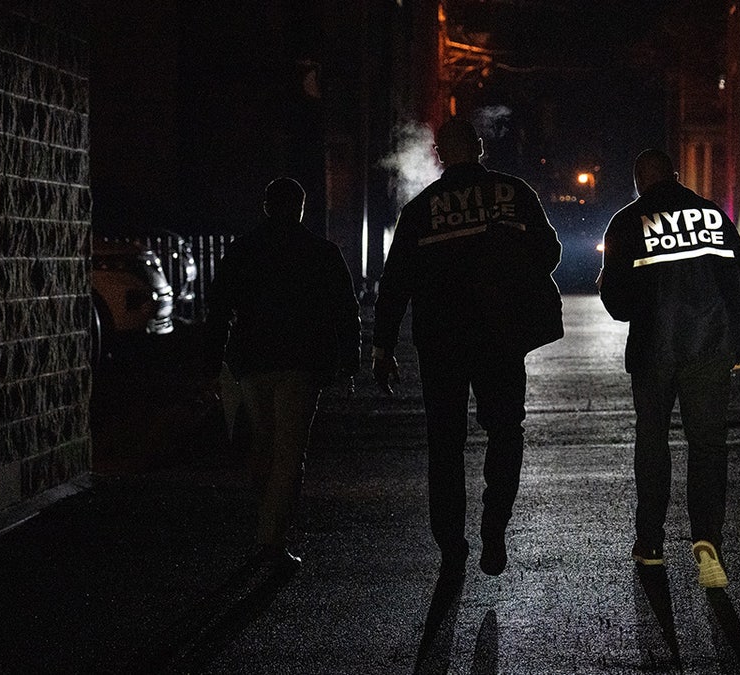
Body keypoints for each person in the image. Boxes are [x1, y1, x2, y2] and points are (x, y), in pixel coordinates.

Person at [373, 116, 562, 578]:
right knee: (505, 430)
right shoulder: (513, 192)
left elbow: (395, 282)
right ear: (479, 148)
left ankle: (451, 547)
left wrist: (383, 346)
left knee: (445, 444)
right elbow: (550, 252)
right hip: (500, 337)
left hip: (441, 342)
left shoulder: (421, 208)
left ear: (439, 154)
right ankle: (494, 526)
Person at [597, 149, 740, 588]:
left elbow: (615, 302)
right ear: (676, 176)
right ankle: (707, 539)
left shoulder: (627, 222)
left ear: (638, 183)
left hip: (654, 351)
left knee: (652, 442)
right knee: (707, 445)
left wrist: (643, 306)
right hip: (709, 348)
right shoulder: (711, 216)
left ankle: (650, 542)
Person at [205, 177, 361, 570]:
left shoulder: (243, 251)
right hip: (301, 364)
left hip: (253, 362)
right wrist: (350, 359)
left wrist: (211, 365)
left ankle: (266, 526)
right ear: (302, 208)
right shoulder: (321, 252)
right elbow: (345, 309)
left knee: (262, 444)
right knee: (290, 452)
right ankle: (272, 538)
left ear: (265, 206)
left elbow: (220, 309)